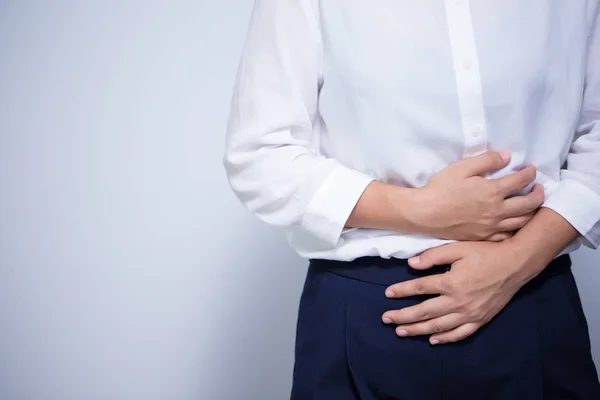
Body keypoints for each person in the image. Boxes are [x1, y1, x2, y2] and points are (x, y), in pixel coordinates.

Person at [223, 1, 600, 399]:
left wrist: (520, 258)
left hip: (532, 299)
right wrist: (422, 210)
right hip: (365, 310)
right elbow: (260, 155)